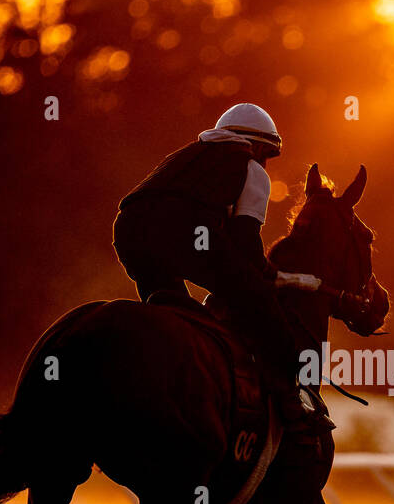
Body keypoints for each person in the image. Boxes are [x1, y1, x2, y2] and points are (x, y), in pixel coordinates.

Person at [112, 102, 316, 429]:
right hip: (188, 234)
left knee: (174, 311)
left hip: (128, 232)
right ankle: (290, 401)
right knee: (262, 304)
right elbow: (245, 240)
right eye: (265, 154)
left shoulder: (182, 157)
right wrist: (263, 278)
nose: (264, 162)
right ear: (256, 146)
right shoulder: (250, 169)